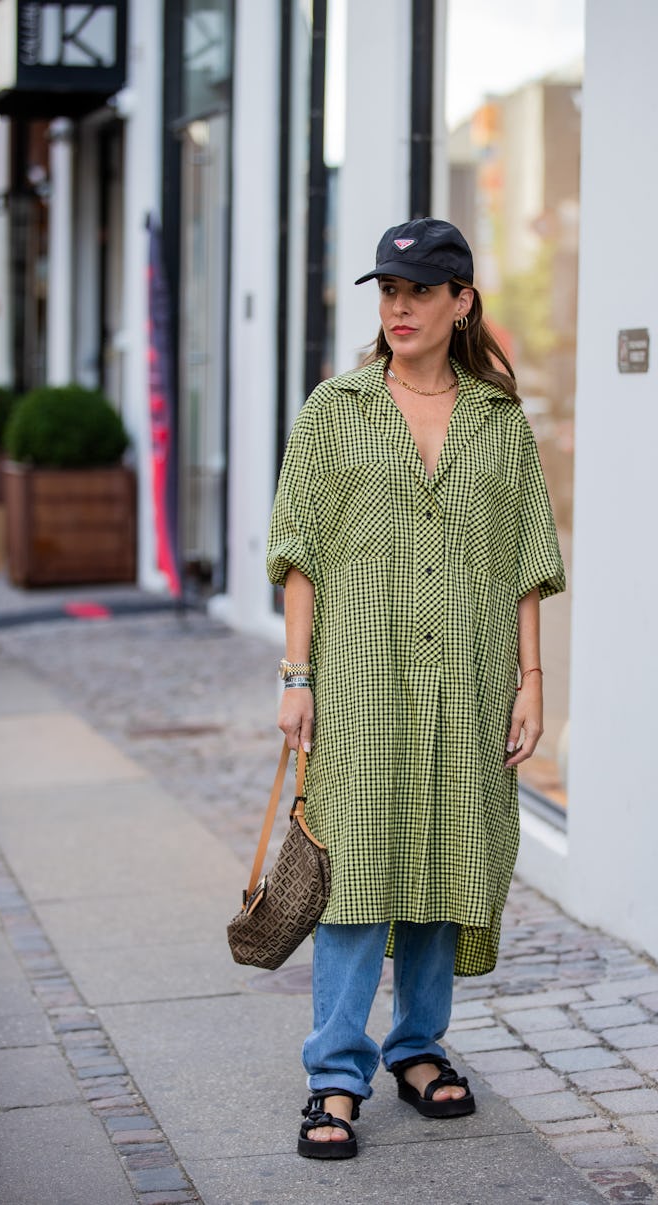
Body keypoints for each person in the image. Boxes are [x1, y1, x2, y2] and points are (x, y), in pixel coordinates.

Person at [267, 217, 565, 1160]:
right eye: (388, 292)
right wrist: (297, 674)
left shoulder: (497, 420)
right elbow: (300, 553)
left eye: (419, 291)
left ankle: (419, 1045)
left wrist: (531, 681)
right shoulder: (335, 410)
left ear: (461, 301)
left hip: (470, 682)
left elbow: (524, 560)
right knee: (353, 875)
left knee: (441, 863)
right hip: (361, 683)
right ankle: (335, 1073)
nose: (399, 307)